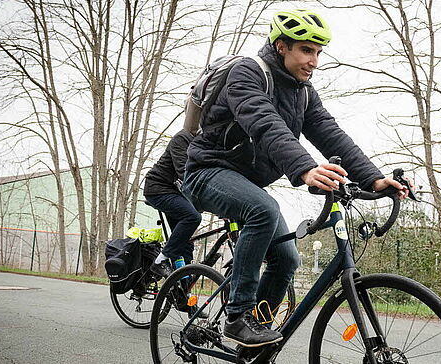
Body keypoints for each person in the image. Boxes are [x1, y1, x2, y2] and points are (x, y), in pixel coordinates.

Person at [181, 9, 409, 348]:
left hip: (246, 183)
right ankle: (238, 318)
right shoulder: (246, 73)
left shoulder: (303, 91)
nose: (314, 61)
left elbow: (331, 134)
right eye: (306, 50)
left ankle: (254, 340)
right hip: (206, 172)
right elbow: (264, 122)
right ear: (281, 46)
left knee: (287, 258)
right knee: (263, 209)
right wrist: (305, 168)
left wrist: (374, 179)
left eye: (318, 52)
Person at [143, 129, 202, 278]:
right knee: (192, 217)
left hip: (175, 191)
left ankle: (182, 286)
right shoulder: (182, 138)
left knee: (185, 243)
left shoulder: (203, 145)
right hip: (158, 189)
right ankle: (161, 260)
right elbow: (185, 173)